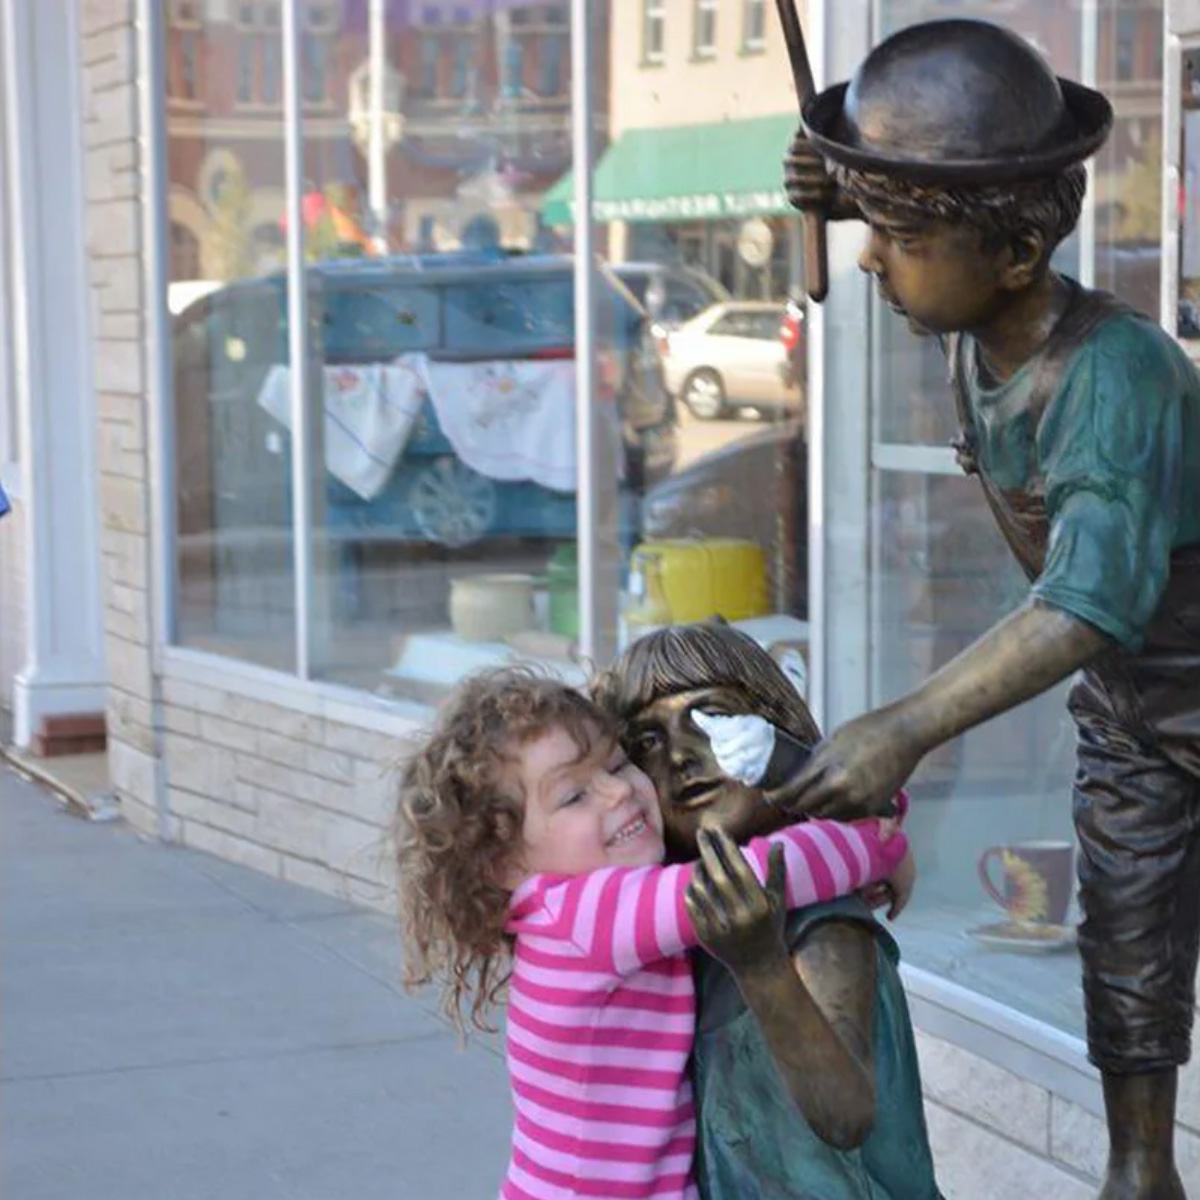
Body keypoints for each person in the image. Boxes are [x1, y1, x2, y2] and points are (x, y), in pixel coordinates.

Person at [782, 18, 1200, 1200]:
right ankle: (1138, 1179)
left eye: (903, 235)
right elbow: (907, 230)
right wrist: (842, 184)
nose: (874, 260)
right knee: (1126, 966)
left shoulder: (1117, 375)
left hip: (1165, 676)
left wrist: (904, 723)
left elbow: (1087, 600)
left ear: (1015, 248)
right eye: (878, 225)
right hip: (1138, 715)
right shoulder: (980, 322)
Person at [395, 667, 910, 1200]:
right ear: (503, 863)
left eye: (617, 762)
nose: (618, 791)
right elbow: (759, 876)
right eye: (574, 796)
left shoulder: (582, 912)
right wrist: (879, 841)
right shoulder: (583, 917)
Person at [594, 621, 941, 1200]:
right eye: (648, 743)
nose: (682, 755)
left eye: (710, 717)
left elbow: (845, 1115)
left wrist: (761, 967)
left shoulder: (819, 925)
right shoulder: (682, 917)